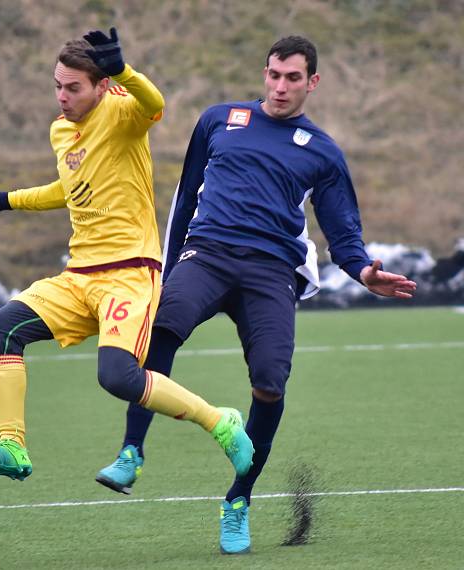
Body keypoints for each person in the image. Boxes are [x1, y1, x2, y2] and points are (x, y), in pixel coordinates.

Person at [95, 35, 417, 555]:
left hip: (270, 272)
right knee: (158, 334)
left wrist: (362, 272)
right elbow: (184, 197)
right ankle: (132, 450)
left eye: (293, 78)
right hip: (207, 253)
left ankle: (239, 499)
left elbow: (342, 231)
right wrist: (164, 266)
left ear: (312, 82)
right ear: (264, 73)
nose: (281, 86)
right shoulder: (219, 120)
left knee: (270, 383)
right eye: (273, 74)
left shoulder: (323, 153)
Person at [0, 27, 255, 485]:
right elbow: (72, 188)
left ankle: (219, 421)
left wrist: (122, 69)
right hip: (79, 275)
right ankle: (12, 445)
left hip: (129, 275)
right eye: (57, 85)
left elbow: (155, 104)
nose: (62, 96)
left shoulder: (123, 112)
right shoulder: (61, 130)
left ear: (101, 86)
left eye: (73, 87)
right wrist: (4, 199)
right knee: (1, 327)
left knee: (117, 377)